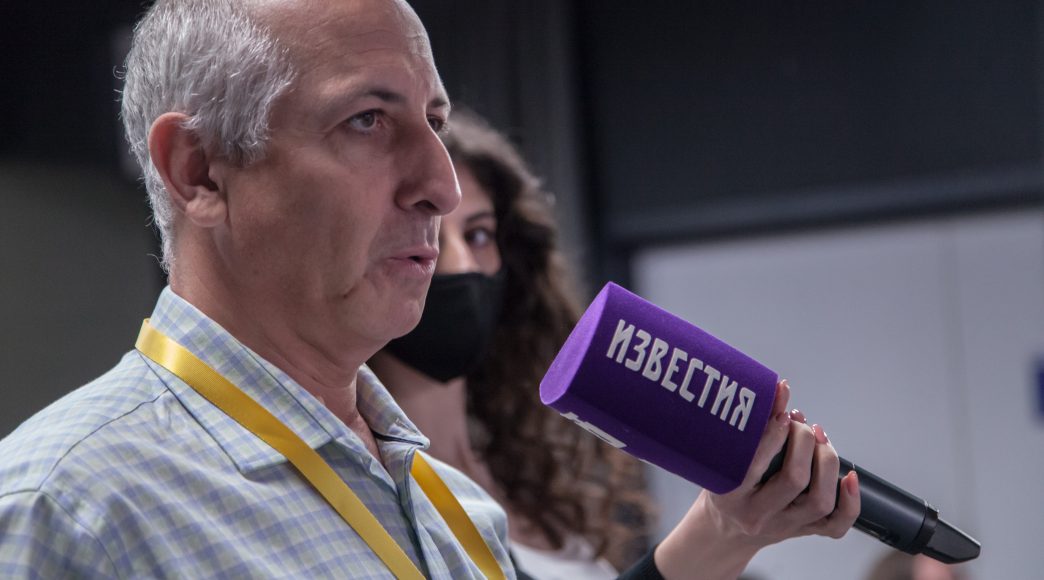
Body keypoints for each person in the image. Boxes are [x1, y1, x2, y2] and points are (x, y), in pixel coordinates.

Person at [0, 0, 860, 578]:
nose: (441, 186)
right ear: (199, 170)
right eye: (367, 121)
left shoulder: (452, 509)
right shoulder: (66, 510)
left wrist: (729, 532)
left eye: (435, 124)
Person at [367, 109, 650, 578]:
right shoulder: (370, 486)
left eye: (478, 235)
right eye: (430, 235)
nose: (461, 264)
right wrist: (720, 533)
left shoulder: (527, 473)